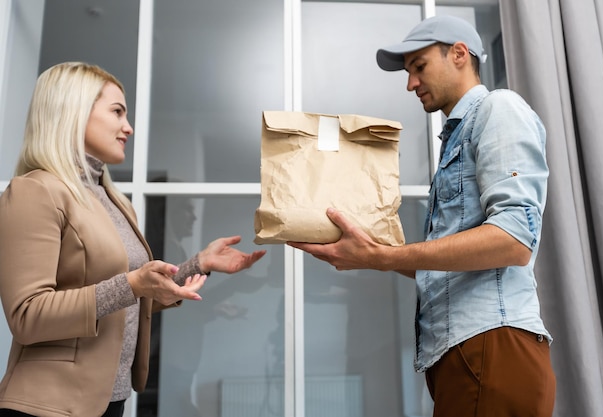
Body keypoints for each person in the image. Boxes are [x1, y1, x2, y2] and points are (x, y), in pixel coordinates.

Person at [289, 15, 556, 417]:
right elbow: (445, 264)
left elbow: (514, 239)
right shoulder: (457, 137)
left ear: (459, 54)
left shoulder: (499, 108)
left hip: (492, 345)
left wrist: (381, 258)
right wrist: (367, 250)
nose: (410, 83)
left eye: (419, 67)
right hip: (462, 352)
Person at [0, 61, 266, 417]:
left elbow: (129, 299)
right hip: (48, 405)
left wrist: (199, 264)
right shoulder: (35, 191)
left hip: (111, 401)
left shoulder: (113, 201)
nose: (129, 127)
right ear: (73, 112)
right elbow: (27, 316)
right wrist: (131, 284)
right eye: (117, 112)